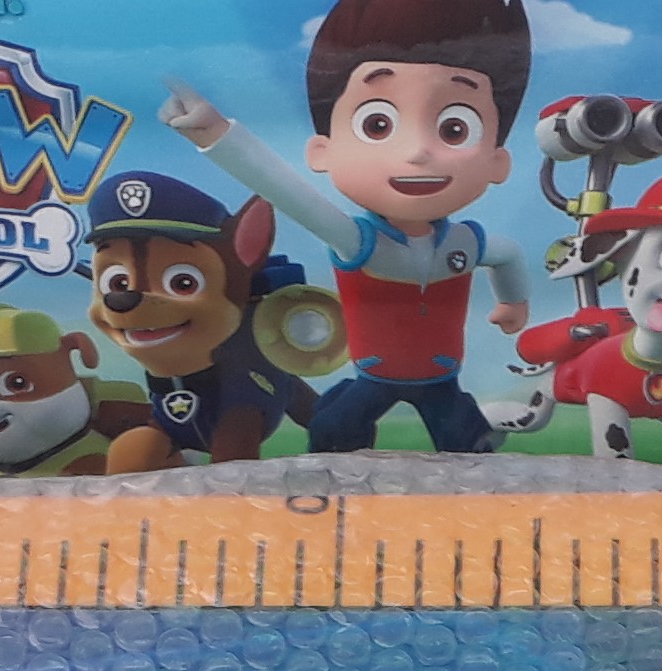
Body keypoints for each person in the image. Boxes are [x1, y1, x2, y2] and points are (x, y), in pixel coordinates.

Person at [160, 0, 532, 454]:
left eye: (454, 129)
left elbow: (508, 253)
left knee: (468, 444)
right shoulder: (358, 241)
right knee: (335, 431)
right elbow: (289, 194)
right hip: (375, 374)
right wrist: (216, 135)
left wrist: (512, 301)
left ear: (497, 161)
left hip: (442, 377)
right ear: (323, 151)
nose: (417, 152)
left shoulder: (466, 242)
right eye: (378, 124)